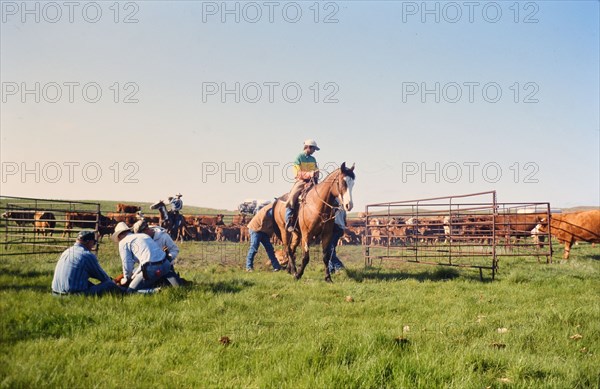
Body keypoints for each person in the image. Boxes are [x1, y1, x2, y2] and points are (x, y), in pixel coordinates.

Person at [51, 230, 121, 296]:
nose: (93, 245)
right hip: (74, 295)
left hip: (55, 293)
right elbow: (103, 278)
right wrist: (114, 281)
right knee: (109, 284)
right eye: (94, 242)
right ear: (88, 242)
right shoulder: (86, 255)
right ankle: (127, 292)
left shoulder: (67, 251)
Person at [112, 222, 172, 293]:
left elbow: (127, 263)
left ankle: (155, 291)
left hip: (151, 268)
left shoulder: (123, 242)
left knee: (130, 291)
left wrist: (126, 279)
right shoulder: (143, 235)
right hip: (166, 264)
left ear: (119, 235)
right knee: (138, 273)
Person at [133, 219, 186, 286]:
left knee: (177, 286)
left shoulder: (163, 236)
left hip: (165, 267)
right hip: (148, 269)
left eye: (142, 234)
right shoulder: (141, 240)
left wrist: (168, 257)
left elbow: (175, 249)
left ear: (146, 229)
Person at [285, 139, 320, 232]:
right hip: (301, 181)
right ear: (308, 147)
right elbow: (297, 172)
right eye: (314, 149)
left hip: (312, 182)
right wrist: (309, 174)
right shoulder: (299, 157)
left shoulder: (313, 159)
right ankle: (288, 221)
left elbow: (316, 169)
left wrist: (316, 173)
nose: (314, 151)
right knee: (292, 196)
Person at [245, 202, 283, 272]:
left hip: (264, 230)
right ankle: (248, 267)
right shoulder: (272, 209)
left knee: (270, 249)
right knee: (254, 247)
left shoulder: (276, 208)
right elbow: (276, 220)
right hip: (256, 228)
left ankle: (277, 267)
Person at [328, 206, 346, 274]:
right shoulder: (343, 207)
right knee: (332, 249)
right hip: (340, 228)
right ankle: (331, 269)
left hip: (334, 227)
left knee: (329, 249)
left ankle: (339, 266)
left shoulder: (333, 207)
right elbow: (344, 219)